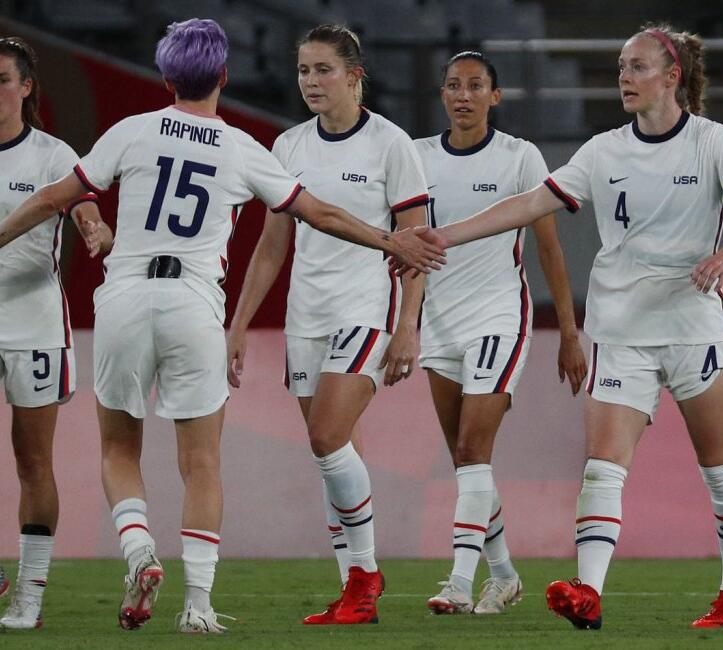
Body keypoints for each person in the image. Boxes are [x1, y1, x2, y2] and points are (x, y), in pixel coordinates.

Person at [0, 19, 443, 635]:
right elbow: (318, 213)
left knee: (119, 447)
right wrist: (386, 239)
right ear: (224, 77)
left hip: (125, 297)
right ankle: (199, 605)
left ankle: (139, 549)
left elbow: (56, 197)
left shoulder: (132, 130)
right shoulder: (242, 147)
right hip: (194, 303)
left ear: (165, 77)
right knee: (202, 461)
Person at [416, 23, 723, 629]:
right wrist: (444, 235)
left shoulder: (712, 142)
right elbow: (529, 203)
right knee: (603, 467)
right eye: (621, 68)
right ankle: (588, 592)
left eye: (638, 67)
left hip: (693, 330)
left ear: (672, 76)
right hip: (620, 333)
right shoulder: (603, 150)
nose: (624, 79)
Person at [226, 23, 430, 626]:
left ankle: (365, 576)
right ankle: (354, 590)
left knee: (324, 435)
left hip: (365, 307)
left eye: (323, 70)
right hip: (305, 316)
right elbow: (272, 246)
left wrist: (408, 326)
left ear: (354, 75)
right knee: (334, 452)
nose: (311, 81)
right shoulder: (288, 146)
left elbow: (415, 246)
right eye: (303, 70)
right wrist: (239, 324)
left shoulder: (392, 145)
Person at [415, 51, 585, 616]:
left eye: (475, 85)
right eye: (453, 85)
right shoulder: (417, 157)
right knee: (467, 464)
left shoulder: (520, 156)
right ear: (442, 94)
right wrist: (404, 325)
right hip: (438, 322)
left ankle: (459, 583)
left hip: (498, 317)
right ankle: (505, 575)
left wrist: (569, 331)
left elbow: (549, 248)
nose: (463, 95)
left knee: (472, 450)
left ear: (495, 96)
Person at [0, 36, 110, 631]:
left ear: (26, 88)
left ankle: (30, 595)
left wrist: (94, 228)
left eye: (2, 80)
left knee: (32, 460)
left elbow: (84, 207)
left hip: (34, 323)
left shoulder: (51, 155)